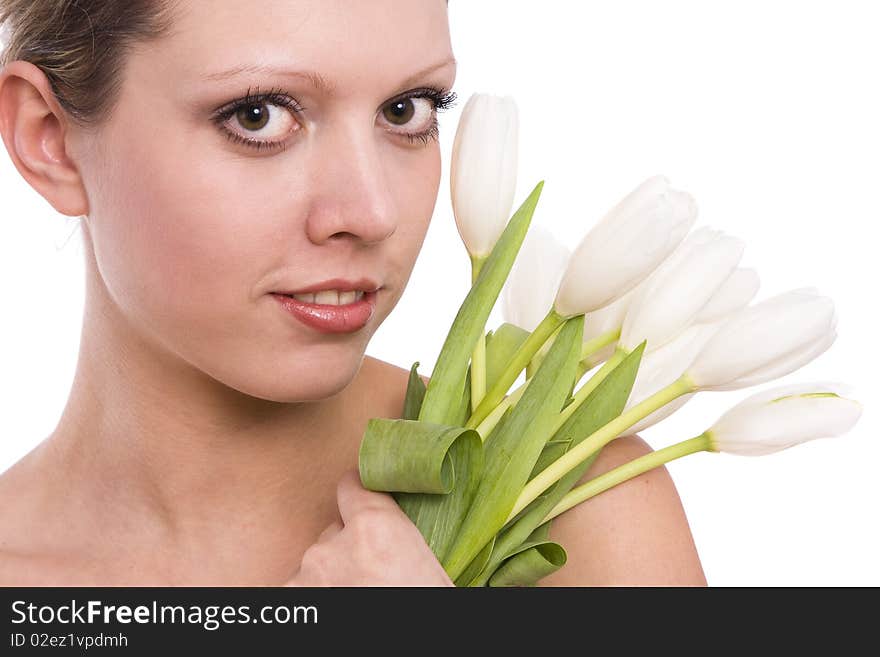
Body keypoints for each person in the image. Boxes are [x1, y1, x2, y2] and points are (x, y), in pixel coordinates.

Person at [0, 0, 706, 586]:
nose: (370, 213)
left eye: (406, 110)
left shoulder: (580, 512)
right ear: (49, 137)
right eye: (259, 116)